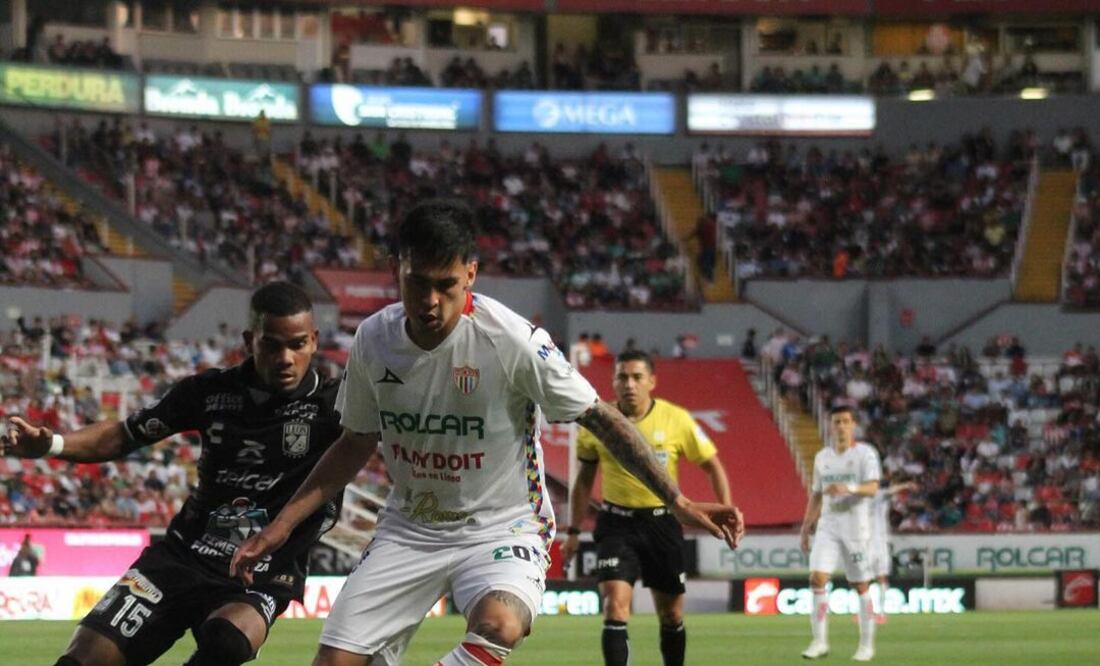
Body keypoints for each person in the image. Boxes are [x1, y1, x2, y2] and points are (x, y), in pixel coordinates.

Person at [230, 200, 744, 666]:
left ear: (471, 274)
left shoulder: (514, 342)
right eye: (417, 282)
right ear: (396, 269)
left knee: (500, 624)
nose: (430, 301)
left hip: (503, 527)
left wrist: (677, 501)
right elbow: (355, 442)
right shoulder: (374, 338)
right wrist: (279, 528)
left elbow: (601, 417)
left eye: (446, 285)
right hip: (410, 528)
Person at [1, 282, 343, 666]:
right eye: (271, 345)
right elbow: (124, 435)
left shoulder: (337, 404)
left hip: (263, 571)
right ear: (250, 341)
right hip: (182, 556)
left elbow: (372, 444)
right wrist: (52, 445)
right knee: (81, 661)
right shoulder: (208, 391)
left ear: (314, 341)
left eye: (297, 345)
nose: (286, 358)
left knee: (226, 642)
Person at [560, 350, 733, 666]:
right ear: (613, 381)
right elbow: (584, 481)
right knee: (615, 606)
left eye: (637, 377)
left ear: (652, 381)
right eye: (622, 377)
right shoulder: (598, 422)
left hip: (662, 523)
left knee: (671, 614)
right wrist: (573, 531)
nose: (629, 384)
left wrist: (726, 508)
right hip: (616, 523)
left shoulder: (676, 419)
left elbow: (712, 466)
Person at [798, 405, 882, 662]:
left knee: (861, 586)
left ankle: (866, 645)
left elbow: (873, 488)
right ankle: (819, 642)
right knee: (817, 579)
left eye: (846, 421)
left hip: (856, 528)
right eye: (837, 422)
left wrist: (849, 488)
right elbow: (816, 494)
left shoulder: (865, 454)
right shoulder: (822, 457)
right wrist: (806, 527)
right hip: (828, 526)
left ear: (853, 425)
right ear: (831, 426)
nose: (841, 426)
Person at [869, 474, 918, 623]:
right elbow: (890, 492)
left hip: (879, 542)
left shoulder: (878, 497)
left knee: (880, 577)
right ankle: (868, 611)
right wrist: (906, 485)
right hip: (870, 542)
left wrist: (905, 485)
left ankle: (881, 612)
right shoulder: (873, 496)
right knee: (865, 577)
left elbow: (890, 492)